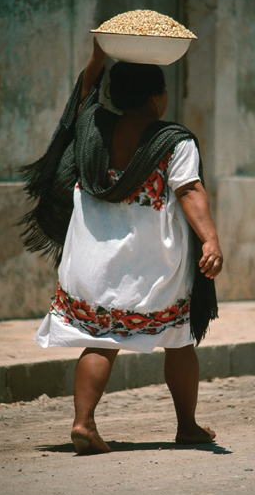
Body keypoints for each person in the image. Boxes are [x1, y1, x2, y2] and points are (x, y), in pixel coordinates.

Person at [19, 37, 223, 454]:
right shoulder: (173, 140)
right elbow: (189, 189)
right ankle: (187, 426)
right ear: (156, 97)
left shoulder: (93, 126)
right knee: (180, 338)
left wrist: (97, 59)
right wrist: (210, 239)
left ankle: (83, 423)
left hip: (93, 258)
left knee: (102, 340)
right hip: (151, 263)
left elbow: (81, 97)